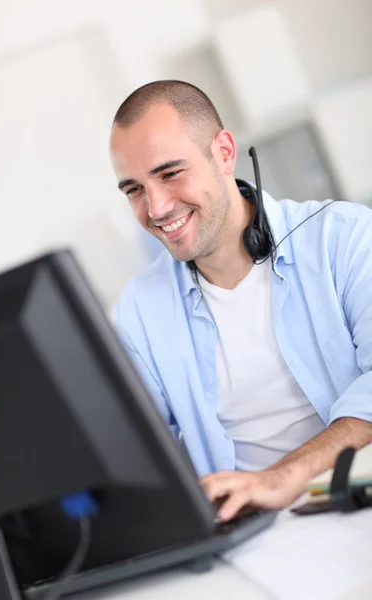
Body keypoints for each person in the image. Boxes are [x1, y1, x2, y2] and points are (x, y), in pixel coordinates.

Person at [110, 79, 372, 522]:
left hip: (355, 501)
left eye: (170, 173)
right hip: (246, 532)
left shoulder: (342, 237)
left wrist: (280, 478)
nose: (155, 208)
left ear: (225, 153)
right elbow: (131, 452)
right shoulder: (140, 306)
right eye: (134, 189)